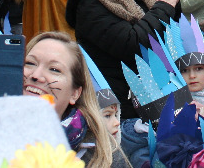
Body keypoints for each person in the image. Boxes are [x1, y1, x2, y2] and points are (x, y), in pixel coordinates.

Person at [65, 0, 181, 160]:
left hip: (157, 99)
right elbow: (132, 44)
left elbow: (170, 29)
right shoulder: (89, 2)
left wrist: (174, 3)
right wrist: (164, 7)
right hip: (125, 112)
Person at [22, 32, 129, 167]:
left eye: (54, 69)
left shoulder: (102, 155)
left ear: (75, 93)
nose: (36, 75)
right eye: (30, 63)